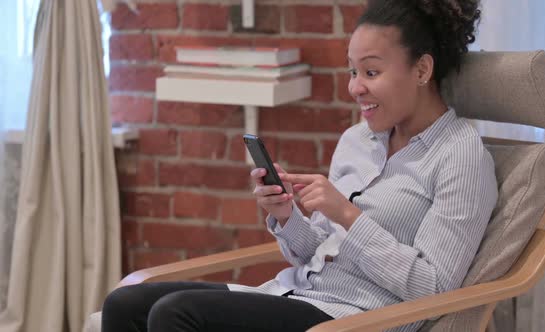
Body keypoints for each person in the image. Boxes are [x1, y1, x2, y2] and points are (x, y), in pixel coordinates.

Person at [100, 0, 498, 331]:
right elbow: (314, 256)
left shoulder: (460, 156)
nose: (355, 87)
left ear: (422, 70)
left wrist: (347, 214)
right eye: (352, 71)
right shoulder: (358, 140)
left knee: (176, 314)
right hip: (297, 295)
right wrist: (287, 217)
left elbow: (434, 289)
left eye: (371, 72)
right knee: (126, 305)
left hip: (354, 319)